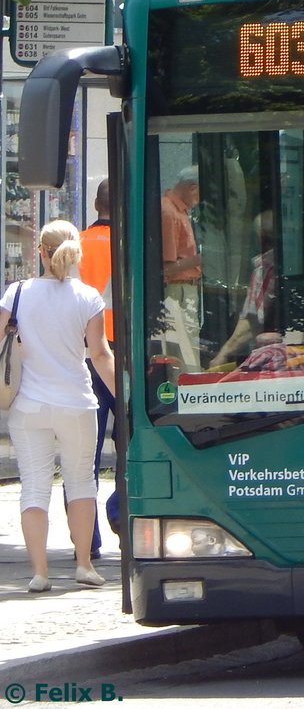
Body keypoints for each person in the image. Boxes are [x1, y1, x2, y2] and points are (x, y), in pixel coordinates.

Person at [0, 220, 117, 592]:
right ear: (74, 253)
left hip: (29, 406)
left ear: (41, 252)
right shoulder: (88, 297)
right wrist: (123, 398)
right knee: (82, 482)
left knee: (34, 486)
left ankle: (40, 573)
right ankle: (84, 565)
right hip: (76, 404)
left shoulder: (16, 293)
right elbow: (99, 354)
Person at [76, 179, 116, 558]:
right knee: (139, 438)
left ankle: (86, 541)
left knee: (86, 449)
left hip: (86, 352)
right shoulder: (133, 244)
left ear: (94, 203)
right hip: (129, 353)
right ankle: (123, 511)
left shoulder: (78, 247)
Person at [210, 211, 276, 370]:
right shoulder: (299, 265)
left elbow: (253, 320)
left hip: (273, 358)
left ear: (260, 235)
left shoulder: (265, 269)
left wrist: (223, 353)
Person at [160, 165, 202, 368]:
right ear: (192, 187)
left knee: (187, 342)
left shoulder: (178, 211)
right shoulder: (169, 212)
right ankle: (188, 387)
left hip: (184, 289)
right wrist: (200, 259)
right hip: (178, 290)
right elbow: (166, 269)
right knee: (185, 345)